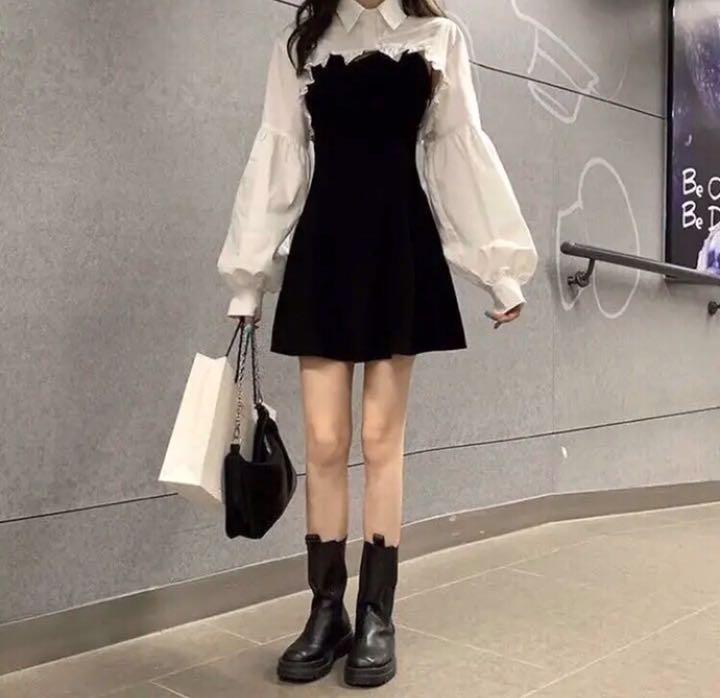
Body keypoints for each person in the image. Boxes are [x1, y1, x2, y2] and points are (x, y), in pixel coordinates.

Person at [216, 0, 538, 687]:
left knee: (381, 439)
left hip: (398, 246)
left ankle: (376, 615)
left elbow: (456, 154)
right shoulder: (303, 42)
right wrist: (248, 279)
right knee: (325, 440)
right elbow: (278, 155)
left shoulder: (437, 37)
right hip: (325, 249)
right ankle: (325, 609)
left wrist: (499, 270)